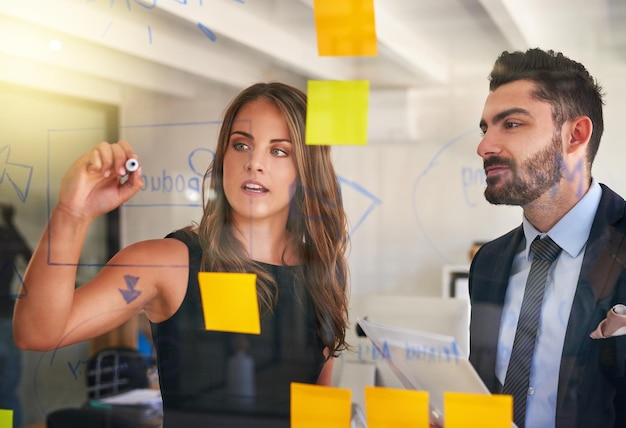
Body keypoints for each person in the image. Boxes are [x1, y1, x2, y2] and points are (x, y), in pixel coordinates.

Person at [13, 82, 350, 427]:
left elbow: (318, 404)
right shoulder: (169, 263)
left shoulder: (322, 271)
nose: (254, 163)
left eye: (279, 151)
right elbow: (36, 332)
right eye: (241, 145)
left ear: (306, 169)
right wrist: (73, 213)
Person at [469, 48, 626, 428]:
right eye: (485, 127)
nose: (484, 147)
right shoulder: (487, 262)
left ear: (576, 135)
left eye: (511, 124)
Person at [0, 203, 32, 428]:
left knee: (6, 392)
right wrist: (10, 222)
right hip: (5, 318)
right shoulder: (7, 236)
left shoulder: (5, 236)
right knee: (6, 392)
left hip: (4, 319)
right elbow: (29, 255)